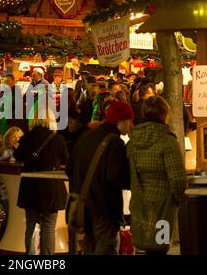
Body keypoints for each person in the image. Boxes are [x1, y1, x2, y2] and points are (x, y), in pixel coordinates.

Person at [67, 100, 133, 255]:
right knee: (106, 245)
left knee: (90, 244)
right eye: (129, 121)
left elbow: (70, 167)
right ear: (120, 120)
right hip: (105, 206)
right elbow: (115, 176)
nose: (130, 126)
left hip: (84, 203)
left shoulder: (86, 137)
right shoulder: (115, 142)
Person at [126, 96, 187, 255]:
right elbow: (178, 179)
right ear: (164, 114)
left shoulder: (132, 141)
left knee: (144, 245)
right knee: (161, 247)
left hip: (139, 202)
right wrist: (179, 200)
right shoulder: (167, 141)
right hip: (163, 206)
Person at [14, 110, 68, 255]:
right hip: (51, 187)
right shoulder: (58, 139)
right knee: (49, 227)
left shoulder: (26, 138)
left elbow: (17, 156)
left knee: (31, 225)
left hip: (30, 187)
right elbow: (66, 160)